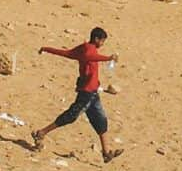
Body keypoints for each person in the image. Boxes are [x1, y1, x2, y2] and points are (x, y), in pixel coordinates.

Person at [31, 26, 122, 163]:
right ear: (97, 39)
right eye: (102, 41)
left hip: (93, 92)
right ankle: (41, 133)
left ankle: (106, 152)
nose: (102, 44)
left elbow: (65, 53)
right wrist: (108, 58)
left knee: (101, 120)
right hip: (86, 93)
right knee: (71, 116)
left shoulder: (85, 48)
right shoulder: (87, 50)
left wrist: (46, 49)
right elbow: (90, 56)